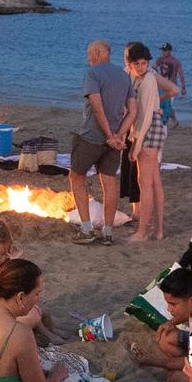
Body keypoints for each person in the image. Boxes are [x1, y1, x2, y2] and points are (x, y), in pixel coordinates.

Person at [67, 40, 133, 246]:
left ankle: (86, 229)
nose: (88, 58)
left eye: (89, 53)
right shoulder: (124, 76)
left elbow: (97, 107)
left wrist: (109, 135)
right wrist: (118, 135)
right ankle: (107, 232)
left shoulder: (92, 73)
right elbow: (133, 111)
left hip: (91, 136)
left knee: (76, 176)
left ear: (96, 52)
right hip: (113, 140)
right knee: (109, 180)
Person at [123, 41, 167, 242]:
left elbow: (146, 115)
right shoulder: (136, 76)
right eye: (137, 63)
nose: (141, 66)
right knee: (154, 182)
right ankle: (158, 230)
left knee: (145, 183)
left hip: (149, 130)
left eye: (143, 63)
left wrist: (136, 144)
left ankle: (142, 232)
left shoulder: (148, 80)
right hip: (148, 129)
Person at [153, 43, 185, 127]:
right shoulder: (160, 59)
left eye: (165, 51)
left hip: (172, 87)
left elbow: (181, 74)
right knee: (161, 104)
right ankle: (173, 120)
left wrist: (183, 87)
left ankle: (165, 123)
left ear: (170, 51)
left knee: (168, 105)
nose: (163, 52)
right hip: (161, 85)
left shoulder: (176, 62)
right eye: (162, 50)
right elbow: (153, 69)